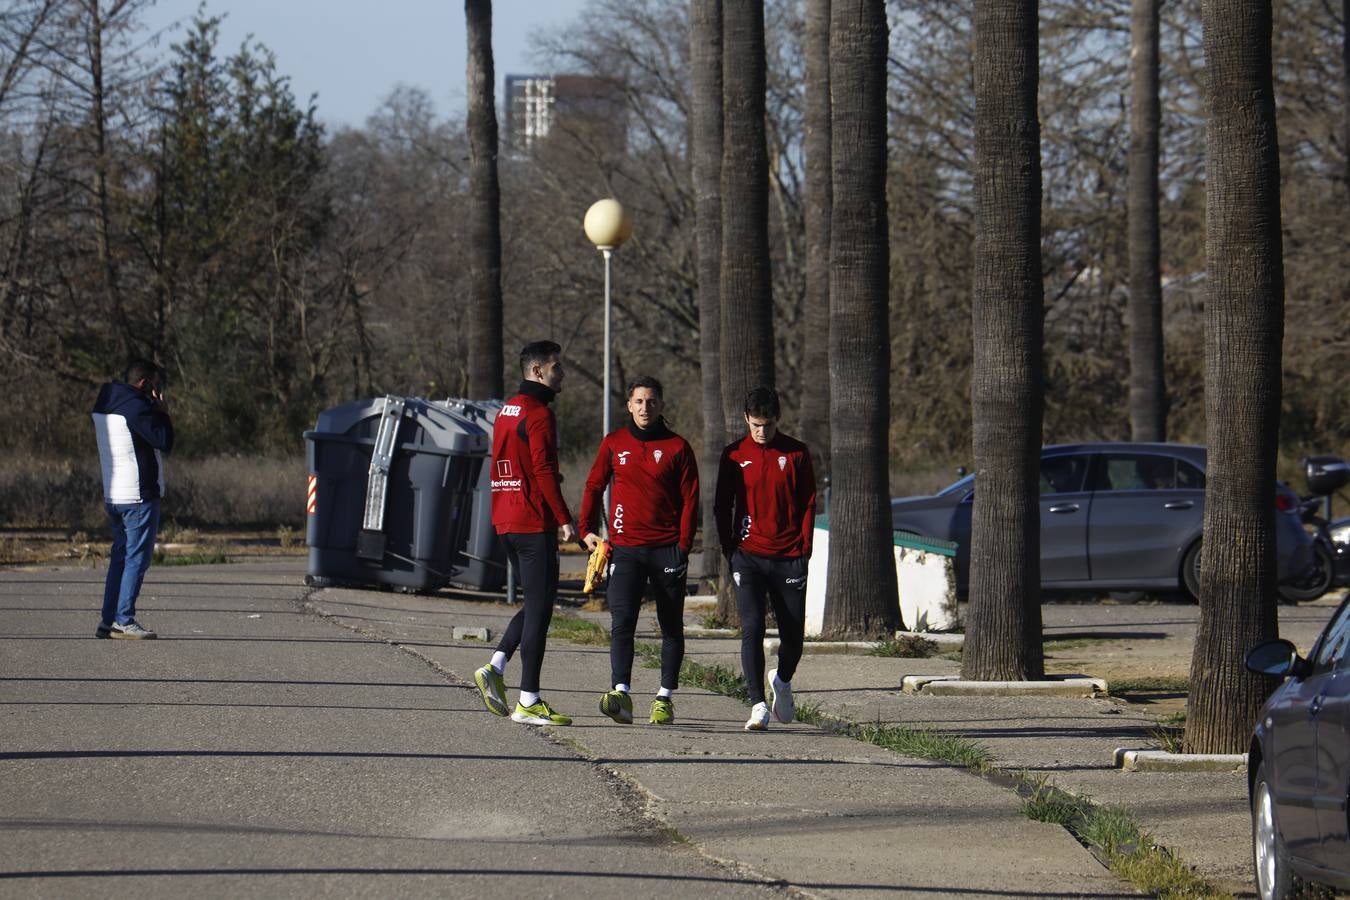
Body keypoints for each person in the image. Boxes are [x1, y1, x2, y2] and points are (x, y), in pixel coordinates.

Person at [579, 376, 699, 726]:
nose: (645, 407)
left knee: (671, 626)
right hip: (625, 550)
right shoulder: (614, 443)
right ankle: (621, 693)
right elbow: (593, 485)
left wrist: (683, 547)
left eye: (651, 401)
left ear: (661, 405)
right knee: (622, 622)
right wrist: (586, 529)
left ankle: (664, 698)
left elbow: (691, 500)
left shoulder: (678, 447)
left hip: (667, 551)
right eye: (639, 401)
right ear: (629, 405)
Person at [473, 341, 578, 726]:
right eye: (556, 367)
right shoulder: (538, 413)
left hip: (506, 520)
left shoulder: (506, 410)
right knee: (540, 611)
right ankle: (528, 700)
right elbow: (543, 470)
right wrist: (564, 518)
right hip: (533, 522)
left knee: (537, 603)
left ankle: (495, 667)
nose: (561, 374)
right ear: (537, 371)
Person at [714, 387, 816, 731]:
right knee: (753, 627)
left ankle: (782, 680)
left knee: (793, 636)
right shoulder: (733, 455)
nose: (761, 431)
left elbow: (808, 502)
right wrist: (729, 549)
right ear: (746, 419)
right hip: (748, 556)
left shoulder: (797, 453)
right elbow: (721, 505)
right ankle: (757, 704)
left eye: (768, 425)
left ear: (778, 420)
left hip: (789, 556)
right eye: (756, 425)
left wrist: (804, 549)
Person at [91, 359, 174, 640]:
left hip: (114, 493)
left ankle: (108, 620)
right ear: (144, 383)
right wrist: (163, 413)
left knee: (121, 557)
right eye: (155, 384)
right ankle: (123, 619)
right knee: (137, 559)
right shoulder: (137, 407)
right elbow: (164, 440)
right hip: (138, 494)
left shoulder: (106, 401)